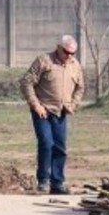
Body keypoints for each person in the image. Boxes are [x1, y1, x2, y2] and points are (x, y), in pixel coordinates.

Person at [20, 35, 84, 194]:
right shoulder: (44, 61)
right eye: (66, 52)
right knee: (46, 144)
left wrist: (73, 105)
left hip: (61, 112)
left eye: (72, 53)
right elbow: (26, 82)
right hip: (43, 112)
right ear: (58, 48)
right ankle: (43, 181)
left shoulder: (75, 65)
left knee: (60, 147)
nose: (69, 56)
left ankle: (58, 182)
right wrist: (36, 105)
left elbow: (80, 88)